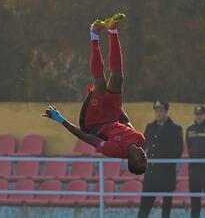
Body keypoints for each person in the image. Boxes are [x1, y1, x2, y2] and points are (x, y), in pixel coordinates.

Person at [43, 13, 147, 175]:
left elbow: (86, 137)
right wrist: (114, 102)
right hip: (112, 115)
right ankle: (112, 30)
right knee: (118, 78)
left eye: (141, 161)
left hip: (93, 123)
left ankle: (94, 34)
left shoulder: (114, 150)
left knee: (100, 84)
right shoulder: (140, 139)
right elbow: (125, 122)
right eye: (146, 159)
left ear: (131, 160)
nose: (145, 157)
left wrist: (60, 119)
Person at [138, 101, 183, 218]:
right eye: (157, 111)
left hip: (166, 172)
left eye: (161, 111)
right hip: (151, 173)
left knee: (166, 210)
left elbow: (178, 150)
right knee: (144, 208)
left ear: (166, 112)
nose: (158, 114)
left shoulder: (175, 128)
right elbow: (144, 145)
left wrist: (165, 162)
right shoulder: (150, 127)